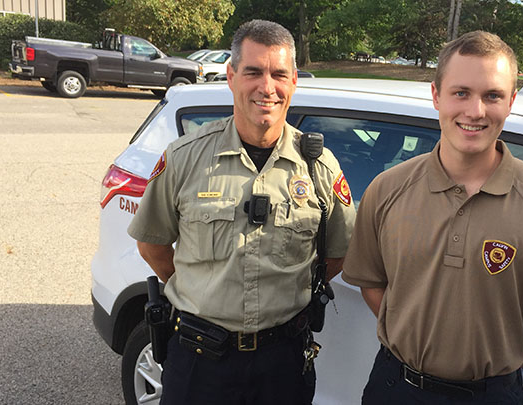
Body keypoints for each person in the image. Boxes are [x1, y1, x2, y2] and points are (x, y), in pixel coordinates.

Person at [341, 31, 523, 404]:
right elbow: (372, 284)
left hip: (492, 394)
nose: (475, 111)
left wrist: (501, 363)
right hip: (396, 387)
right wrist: (412, 333)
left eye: (492, 95)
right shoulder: (387, 189)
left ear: (511, 102)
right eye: (461, 92)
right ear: (436, 96)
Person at [127, 19, 356, 404]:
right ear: (231, 76)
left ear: (294, 80)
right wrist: (206, 293)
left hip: (282, 363)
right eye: (253, 72)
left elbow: (337, 254)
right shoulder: (185, 158)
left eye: (279, 74)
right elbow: (153, 246)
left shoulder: (320, 167)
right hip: (200, 360)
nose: (267, 87)